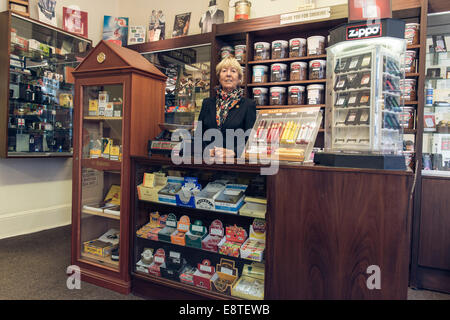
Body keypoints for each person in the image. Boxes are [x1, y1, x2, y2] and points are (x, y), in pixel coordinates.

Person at [197, 56, 256, 159]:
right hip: (207, 164)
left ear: (239, 78)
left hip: (234, 165)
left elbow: (251, 140)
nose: (228, 74)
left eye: (233, 71)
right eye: (224, 71)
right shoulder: (207, 103)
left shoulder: (248, 105)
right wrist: (205, 150)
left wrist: (233, 152)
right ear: (219, 77)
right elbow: (198, 136)